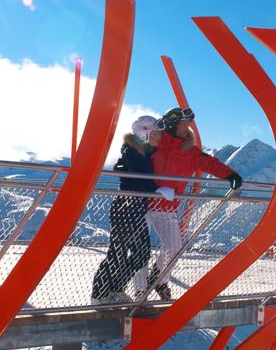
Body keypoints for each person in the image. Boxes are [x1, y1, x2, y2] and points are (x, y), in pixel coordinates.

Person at [141, 107, 243, 300]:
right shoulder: (154, 141)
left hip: (166, 208)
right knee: (140, 249)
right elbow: (132, 156)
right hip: (141, 204)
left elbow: (210, 164)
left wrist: (230, 175)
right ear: (171, 124)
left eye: (188, 124)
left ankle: (159, 279)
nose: (187, 127)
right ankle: (140, 290)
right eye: (183, 123)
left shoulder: (190, 151)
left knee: (173, 247)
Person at [90, 116, 164, 304]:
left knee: (141, 253)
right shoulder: (132, 151)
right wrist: (158, 190)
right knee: (117, 253)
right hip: (126, 207)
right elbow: (142, 179)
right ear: (145, 133)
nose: (159, 137)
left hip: (137, 209)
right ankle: (99, 295)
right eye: (156, 133)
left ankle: (115, 288)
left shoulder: (144, 153)